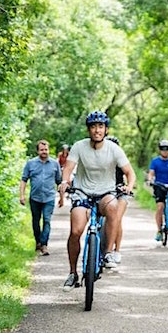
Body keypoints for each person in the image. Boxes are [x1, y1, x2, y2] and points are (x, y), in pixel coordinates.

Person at [59, 111, 136, 290]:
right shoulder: (79, 146)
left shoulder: (114, 149)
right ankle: (72, 273)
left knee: (114, 207)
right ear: (88, 129)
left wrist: (129, 186)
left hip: (105, 193)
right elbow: (68, 168)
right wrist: (64, 182)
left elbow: (129, 173)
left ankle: (108, 252)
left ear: (106, 129)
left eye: (100, 126)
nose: (97, 130)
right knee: (76, 231)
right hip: (82, 193)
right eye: (93, 126)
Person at [19, 139, 62, 256]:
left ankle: (44, 244)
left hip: (49, 197)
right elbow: (24, 180)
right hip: (35, 198)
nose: (44, 152)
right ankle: (38, 241)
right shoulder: (30, 164)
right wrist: (22, 195)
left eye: (46, 149)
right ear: (38, 151)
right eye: (42, 150)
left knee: (47, 221)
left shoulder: (54, 164)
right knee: (36, 221)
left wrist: (62, 198)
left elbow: (59, 182)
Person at [147, 139, 168, 241]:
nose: (165, 151)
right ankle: (159, 230)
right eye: (162, 149)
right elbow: (151, 173)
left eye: (167, 149)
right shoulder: (155, 161)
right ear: (160, 150)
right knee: (160, 207)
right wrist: (150, 180)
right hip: (159, 186)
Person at [104, 135, 129, 257]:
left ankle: (116, 251)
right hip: (103, 193)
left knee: (117, 219)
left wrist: (127, 187)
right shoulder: (99, 161)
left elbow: (129, 174)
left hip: (119, 193)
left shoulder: (121, 161)